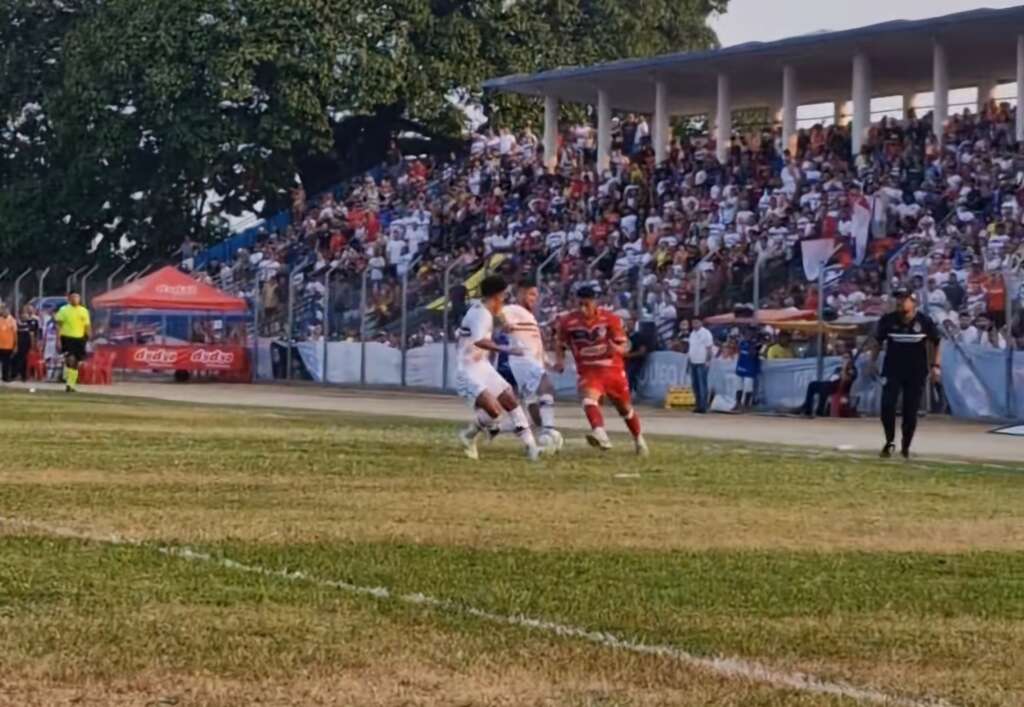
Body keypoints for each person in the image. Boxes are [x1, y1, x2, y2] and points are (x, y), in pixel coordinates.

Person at [555, 286, 648, 456]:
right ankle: (600, 433)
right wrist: (559, 361)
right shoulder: (567, 322)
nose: (583, 309)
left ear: (595, 302)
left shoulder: (610, 319)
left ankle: (638, 439)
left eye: (587, 304)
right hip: (588, 369)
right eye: (580, 304)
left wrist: (619, 348)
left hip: (612, 368)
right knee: (587, 399)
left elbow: (623, 344)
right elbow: (560, 343)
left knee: (625, 409)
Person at [455, 275, 540, 462]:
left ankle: (531, 446)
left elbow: (498, 312)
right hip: (467, 370)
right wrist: (508, 349)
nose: (505, 298)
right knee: (494, 412)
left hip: (482, 367)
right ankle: (469, 436)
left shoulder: (486, 306)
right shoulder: (481, 314)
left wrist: (505, 323)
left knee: (510, 400)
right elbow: (480, 340)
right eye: (504, 294)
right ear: (497, 295)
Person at [868, 288, 941, 459]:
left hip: (916, 371)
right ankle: (889, 441)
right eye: (898, 299)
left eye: (904, 299)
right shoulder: (888, 320)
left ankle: (906, 446)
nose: (900, 302)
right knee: (887, 405)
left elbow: (936, 342)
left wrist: (936, 366)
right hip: (892, 369)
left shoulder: (924, 321)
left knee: (910, 410)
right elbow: (877, 342)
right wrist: (872, 362)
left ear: (914, 301)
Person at [499, 278, 563, 452]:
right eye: (530, 293)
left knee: (534, 409)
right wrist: (504, 323)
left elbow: (538, 346)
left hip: (531, 362)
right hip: (523, 360)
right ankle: (549, 432)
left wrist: (550, 364)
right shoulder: (513, 309)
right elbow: (498, 313)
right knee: (547, 387)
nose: (533, 298)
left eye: (535, 294)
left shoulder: (531, 316)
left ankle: (494, 428)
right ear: (519, 292)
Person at [53, 291, 92, 393]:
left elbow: (87, 325)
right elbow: (58, 325)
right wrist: (58, 339)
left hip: (80, 339)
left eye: (77, 297)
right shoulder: (64, 310)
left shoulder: (84, 311)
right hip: (67, 337)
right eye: (73, 297)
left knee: (76, 362)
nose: (75, 299)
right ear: (69, 299)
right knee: (71, 359)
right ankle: (68, 383)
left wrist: (88, 337)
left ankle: (71, 384)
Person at [800, 350, 857, 418]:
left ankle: (808, 411)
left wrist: (844, 368)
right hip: (831, 384)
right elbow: (833, 378)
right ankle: (815, 411)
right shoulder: (838, 368)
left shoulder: (852, 369)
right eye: (843, 357)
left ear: (851, 359)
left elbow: (846, 380)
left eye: (847, 357)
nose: (845, 359)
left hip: (839, 388)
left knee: (817, 387)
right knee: (813, 385)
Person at [686, 318, 714, 413]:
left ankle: (703, 406)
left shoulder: (706, 333)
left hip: (702, 362)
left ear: (701, 323)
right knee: (695, 385)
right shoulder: (692, 334)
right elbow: (691, 347)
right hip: (693, 361)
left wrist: (708, 361)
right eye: (693, 322)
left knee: (702, 385)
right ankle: (698, 405)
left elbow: (709, 348)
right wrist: (689, 359)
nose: (694, 324)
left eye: (696, 322)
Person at [735, 330, 761, 411]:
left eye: (750, 335)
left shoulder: (756, 345)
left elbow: (753, 354)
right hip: (740, 367)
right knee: (738, 387)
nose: (748, 336)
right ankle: (738, 403)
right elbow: (738, 350)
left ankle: (746, 405)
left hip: (750, 369)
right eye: (746, 334)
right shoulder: (742, 343)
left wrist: (753, 346)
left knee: (748, 387)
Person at [13, 304, 40, 382]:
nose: (24, 315)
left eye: (26, 313)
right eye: (23, 313)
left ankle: (23, 375)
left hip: (26, 343)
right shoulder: (17, 322)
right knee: (19, 358)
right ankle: (20, 374)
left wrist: (33, 344)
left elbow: (33, 333)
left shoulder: (33, 321)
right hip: (18, 343)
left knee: (24, 358)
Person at [0, 305, 16, 382]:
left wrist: (15, 345)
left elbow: (15, 334)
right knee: (2, 362)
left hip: (9, 345)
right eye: (2, 311)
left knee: (7, 362)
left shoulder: (12, 320)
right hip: (0, 345)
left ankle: (6, 377)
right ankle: (2, 376)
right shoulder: (0, 320)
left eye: (5, 310)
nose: (3, 312)